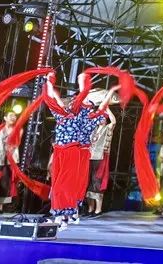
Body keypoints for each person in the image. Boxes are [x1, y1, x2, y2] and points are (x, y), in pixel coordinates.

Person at [45, 73, 119, 230]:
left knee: (65, 185)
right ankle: (67, 214)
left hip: (74, 152)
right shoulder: (61, 115)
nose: (71, 102)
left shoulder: (83, 119)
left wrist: (110, 92)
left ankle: (63, 217)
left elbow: (97, 105)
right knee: (59, 185)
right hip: (60, 152)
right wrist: (49, 81)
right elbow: (52, 99)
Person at [86, 109, 116, 217]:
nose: (100, 119)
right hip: (90, 157)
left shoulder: (107, 128)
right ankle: (90, 209)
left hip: (100, 157)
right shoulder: (93, 129)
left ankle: (98, 210)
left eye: (102, 117)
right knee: (88, 183)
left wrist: (107, 108)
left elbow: (113, 122)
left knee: (97, 182)